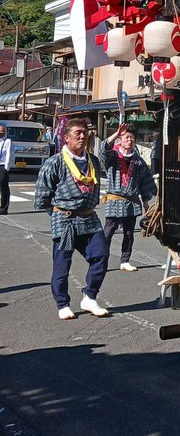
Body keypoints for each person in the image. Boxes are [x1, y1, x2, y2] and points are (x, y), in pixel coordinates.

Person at [34, 118, 110, 320]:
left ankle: (90, 296)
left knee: (101, 255)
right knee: (62, 263)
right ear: (66, 138)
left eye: (85, 133)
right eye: (77, 133)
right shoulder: (55, 162)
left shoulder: (93, 161)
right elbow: (42, 195)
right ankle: (62, 303)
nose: (82, 136)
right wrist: (58, 213)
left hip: (89, 217)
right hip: (65, 218)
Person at [98, 123, 157, 271]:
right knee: (108, 232)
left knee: (129, 233)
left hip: (131, 201)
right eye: (126, 137)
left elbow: (145, 181)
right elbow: (103, 150)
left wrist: (145, 202)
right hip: (115, 199)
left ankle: (125, 260)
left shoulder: (138, 161)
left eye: (132, 138)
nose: (129, 140)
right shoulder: (113, 156)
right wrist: (116, 133)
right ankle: (101, 260)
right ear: (120, 140)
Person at [0, 124, 14, 214]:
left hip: (2, 165)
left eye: (2, 132)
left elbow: (9, 154)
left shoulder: (8, 141)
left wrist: (6, 168)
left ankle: (4, 208)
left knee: (3, 187)